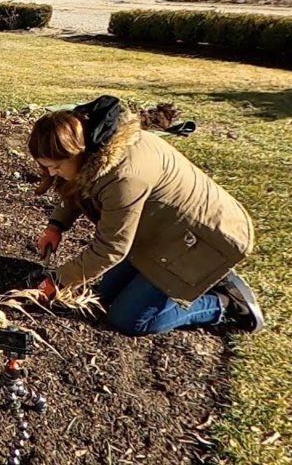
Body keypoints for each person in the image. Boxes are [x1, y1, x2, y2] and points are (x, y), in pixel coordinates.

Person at [28, 95, 263, 335]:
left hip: (204, 239)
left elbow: (111, 249)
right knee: (103, 295)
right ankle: (205, 279)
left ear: (77, 152)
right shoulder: (94, 145)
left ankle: (224, 303)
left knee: (129, 320)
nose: (51, 172)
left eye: (55, 166)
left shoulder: (124, 176)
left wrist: (59, 280)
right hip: (163, 231)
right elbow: (77, 184)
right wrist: (56, 225)